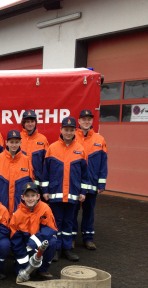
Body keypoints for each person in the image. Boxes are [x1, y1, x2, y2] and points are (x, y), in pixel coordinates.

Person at [42, 117, 89, 261]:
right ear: (61, 130)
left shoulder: (80, 149)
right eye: (66, 129)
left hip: (73, 194)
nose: (68, 132)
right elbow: (46, 173)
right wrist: (45, 191)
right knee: (56, 222)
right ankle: (56, 249)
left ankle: (67, 249)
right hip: (55, 194)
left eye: (71, 130)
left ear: (75, 130)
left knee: (69, 222)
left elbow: (85, 175)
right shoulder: (52, 148)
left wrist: (82, 192)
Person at [73, 109, 108, 250]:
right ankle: (72, 238)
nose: (86, 122)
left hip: (92, 182)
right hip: (75, 182)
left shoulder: (100, 140)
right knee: (73, 212)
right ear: (79, 121)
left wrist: (101, 182)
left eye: (89, 119)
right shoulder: (72, 136)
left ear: (92, 121)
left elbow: (103, 162)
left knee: (89, 211)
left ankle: (88, 238)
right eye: (83, 119)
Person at [10, 182, 58, 279]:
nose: (30, 198)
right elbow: (15, 239)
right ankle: (22, 263)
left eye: (33, 195)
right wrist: (23, 262)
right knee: (20, 271)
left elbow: (51, 228)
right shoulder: (17, 214)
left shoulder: (45, 209)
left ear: (38, 196)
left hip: (38, 244)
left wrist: (33, 242)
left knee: (52, 241)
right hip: (25, 247)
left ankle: (42, 270)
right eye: (27, 196)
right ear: (22, 197)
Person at [0, 129, 33, 216]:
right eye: (11, 142)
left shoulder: (26, 160)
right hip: (1, 205)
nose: (14, 145)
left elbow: (30, 185)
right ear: (6, 142)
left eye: (16, 142)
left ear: (20, 143)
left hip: (20, 207)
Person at [20, 110, 49, 187]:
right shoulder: (17, 138)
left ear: (36, 122)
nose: (30, 124)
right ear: (23, 123)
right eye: (27, 121)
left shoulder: (42, 139)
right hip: (20, 180)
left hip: (37, 182)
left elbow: (47, 163)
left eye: (32, 121)